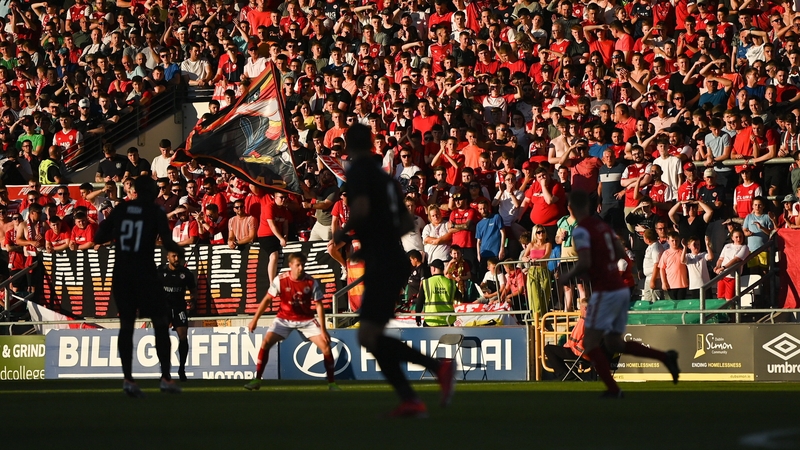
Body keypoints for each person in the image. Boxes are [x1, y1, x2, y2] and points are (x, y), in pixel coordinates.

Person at [332, 124, 454, 418]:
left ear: (349, 146)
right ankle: (418, 391)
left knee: (368, 335)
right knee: (370, 334)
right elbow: (402, 224)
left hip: (383, 262)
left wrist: (346, 234)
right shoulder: (386, 179)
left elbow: (360, 210)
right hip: (394, 260)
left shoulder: (359, 171)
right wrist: (372, 240)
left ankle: (434, 373)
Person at [559, 189, 680, 398]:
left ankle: (613, 388)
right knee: (613, 343)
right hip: (615, 292)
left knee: (593, 343)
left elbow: (589, 261)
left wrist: (569, 275)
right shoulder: (598, 227)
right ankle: (663, 357)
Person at [94, 176, 184, 397]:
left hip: (121, 273)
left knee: (126, 324)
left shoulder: (121, 209)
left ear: (134, 191)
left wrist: (119, 234)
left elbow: (99, 235)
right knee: (161, 321)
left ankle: (128, 379)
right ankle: (165, 378)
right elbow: (168, 242)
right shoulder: (155, 212)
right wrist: (179, 252)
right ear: (152, 192)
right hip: (144, 273)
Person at [244, 252, 339, 391]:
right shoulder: (280, 280)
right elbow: (267, 299)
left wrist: (323, 330)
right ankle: (257, 380)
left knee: (325, 346)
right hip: (284, 319)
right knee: (265, 342)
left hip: (306, 319)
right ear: (290, 265)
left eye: (303, 265)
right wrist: (254, 320)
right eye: (298, 265)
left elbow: (319, 305)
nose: (301, 268)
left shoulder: (311, 282)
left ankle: (332, 384)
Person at [157, 250, 197, 382]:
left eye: (178, 256)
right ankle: (164, 371)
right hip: (163, 308)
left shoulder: (186, 274)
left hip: (179, 307)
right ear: (167, 257)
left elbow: (193, 290)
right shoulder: (160, 271)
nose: (176, 258)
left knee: (183, 336)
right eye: (173, 255)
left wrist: (192, 299)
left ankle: (182, 369)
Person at [414, 259, 458, 327]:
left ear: (433, 269)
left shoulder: (426, 282)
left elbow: (419, 301)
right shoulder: (451, 283)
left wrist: (418, 318)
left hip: (431, 320)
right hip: (448, 320)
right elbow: (458, 297)